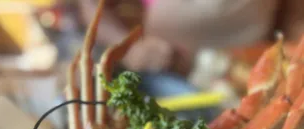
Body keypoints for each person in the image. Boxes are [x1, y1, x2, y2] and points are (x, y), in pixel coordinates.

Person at [78, 0, 304, 73]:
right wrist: (129, 47)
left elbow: (296, 15)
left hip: (253, 77)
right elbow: (91, 5)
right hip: (167, 78)